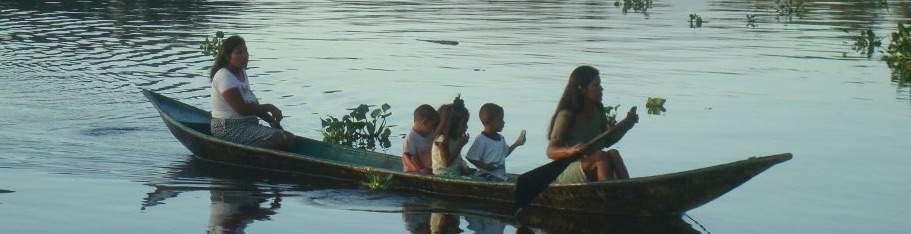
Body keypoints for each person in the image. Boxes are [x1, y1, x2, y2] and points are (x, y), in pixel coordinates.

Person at [546, 65, 638, 182]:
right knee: (601, 156)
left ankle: (628, 190)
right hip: (564, 170)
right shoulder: (566, 115)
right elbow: (550, 151)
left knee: (613, 153)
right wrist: (570, 150)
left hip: (592, 164)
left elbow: (607, 141)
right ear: (582, 89)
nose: (601, 89)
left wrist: (627, 126)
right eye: (596, 85)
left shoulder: (598, 110)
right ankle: (606, 194)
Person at [209, 35, 295, 150]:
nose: (245, 56)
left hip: (246, 124)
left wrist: (271, 121)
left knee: (290, 138)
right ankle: (244, 154)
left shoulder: (241, 72)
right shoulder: (224, 76)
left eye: (246, 51)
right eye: (239, 53)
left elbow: (252, 104)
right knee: (278, 138)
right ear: (227, 56)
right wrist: (270, 107)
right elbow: (242, 109)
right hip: (224, 127)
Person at [465, 103, 526, 181]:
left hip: (500, 175)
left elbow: (504, 154)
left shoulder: (501, 138)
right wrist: (485, 166)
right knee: (494, 179)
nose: (503, 122)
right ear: (488, 122)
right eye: (499, 120)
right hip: (485, 175)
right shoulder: (481, 139)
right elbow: (471, 158)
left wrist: (517, 143)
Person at [431, 95, 474, 177]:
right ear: (454, 125)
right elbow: (446, 163)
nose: (466, 127)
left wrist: (462, 166)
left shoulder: (456, 138)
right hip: (443, 174)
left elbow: (457, 157)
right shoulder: (442, 140)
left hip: (454, 172)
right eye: (464, 124)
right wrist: (460, 145)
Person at [403, 104, 439, 174]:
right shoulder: (411, 138)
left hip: (428, 169)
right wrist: (422, 169)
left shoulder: (429, 135)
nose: (433, 129)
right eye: (432, 126)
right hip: (413, 171)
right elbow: (413, 157)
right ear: (424, 123)